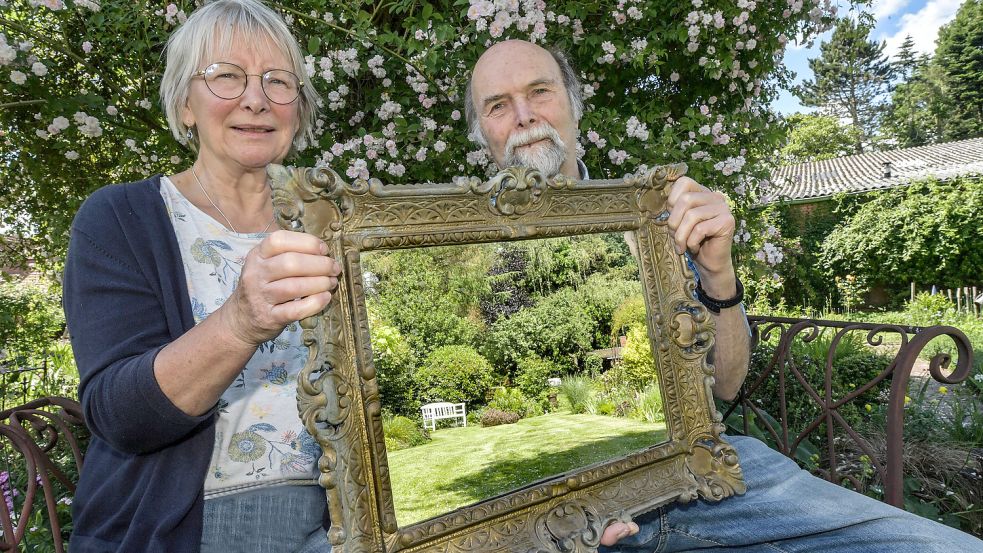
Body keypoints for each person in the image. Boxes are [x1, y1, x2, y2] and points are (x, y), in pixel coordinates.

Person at [466, 39, 983, 552]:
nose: (524, 116)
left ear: (574, 106)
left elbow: (727, 386)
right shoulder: (451, 253)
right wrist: (554, 517)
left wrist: (717, 272)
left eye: (539, 91)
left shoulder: (657, 220)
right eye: (497, 105)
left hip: (708, 484)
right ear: (481, 133)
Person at [62, 1, 341, 552]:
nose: (256, 99)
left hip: (338, 518)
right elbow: (119, 414)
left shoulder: (332, 220)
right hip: (181, 528)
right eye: (226, 77)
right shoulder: (120, 219)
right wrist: (240, 323)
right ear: (184, 103)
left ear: (298, 109)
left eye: (278, 81)